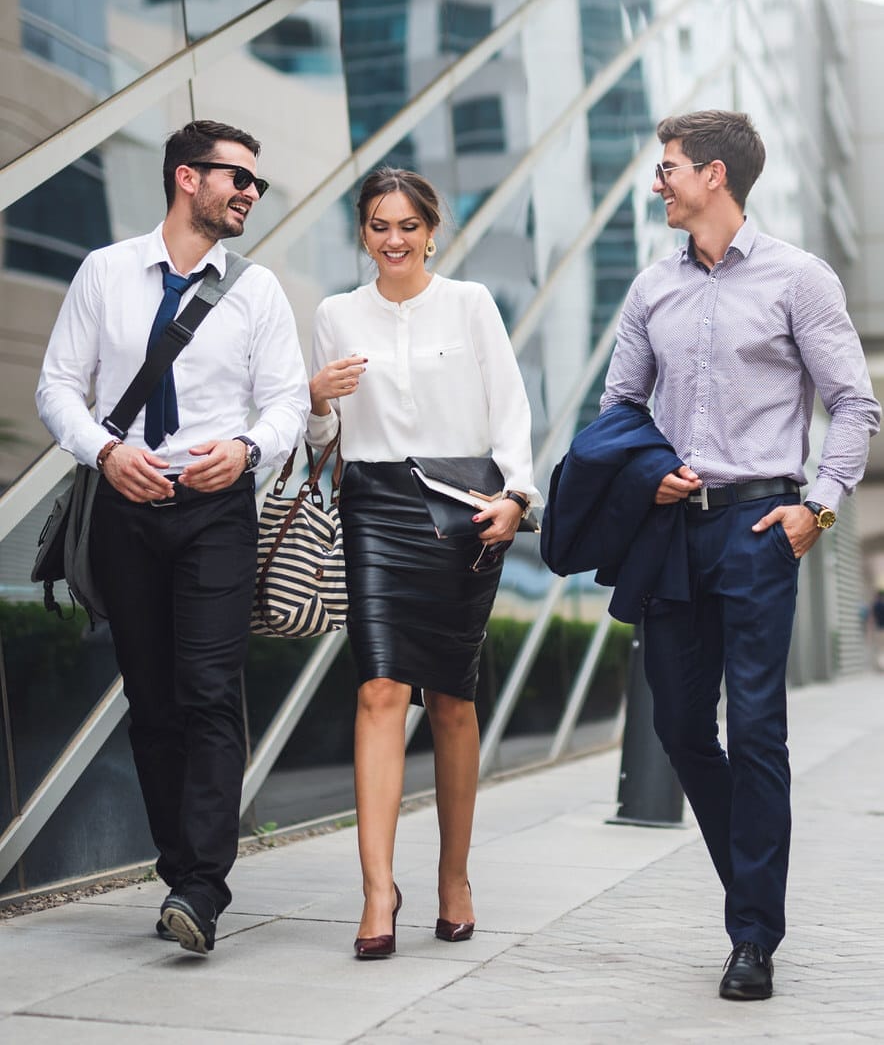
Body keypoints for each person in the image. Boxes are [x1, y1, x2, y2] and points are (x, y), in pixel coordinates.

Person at [600, 110, 879, 1001]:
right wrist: (649, 477)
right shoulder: (651, 289)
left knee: (756, 727)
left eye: (670, 167)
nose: (659, 181)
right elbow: (619, 413)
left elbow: (854, 404)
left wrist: (819, 511)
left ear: (715, 176)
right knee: (681, 724)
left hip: (763, 526)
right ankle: (752, 889)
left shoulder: (800, 279)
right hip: (674, 531)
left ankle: (752, 933)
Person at [36, 119, 310, 955]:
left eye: (256, 183)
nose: (251, 194)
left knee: (209, 690)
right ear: (187, 178)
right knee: (151, 700)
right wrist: (106, 452)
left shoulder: (256, 291)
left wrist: (248, 450)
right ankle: (179, 866)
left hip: (215, 511)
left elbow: (288, 402)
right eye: (239, 178)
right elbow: (57, 388)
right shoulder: (105, 272)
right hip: (125, 506)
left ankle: (203, 886)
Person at [307, 167, 538, 959]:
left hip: (463, 506)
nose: (394, 239)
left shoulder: (471, 304)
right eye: (379, 225)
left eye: (408, 224)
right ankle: (377, 891)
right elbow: (318, 441)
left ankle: (454, 877)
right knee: (378, 688)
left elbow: (510, 407)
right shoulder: (336, 314)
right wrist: (313, 396)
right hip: (374, 504)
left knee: (450, 698)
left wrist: (517, 495)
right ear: (363, 233)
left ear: (431, 229)